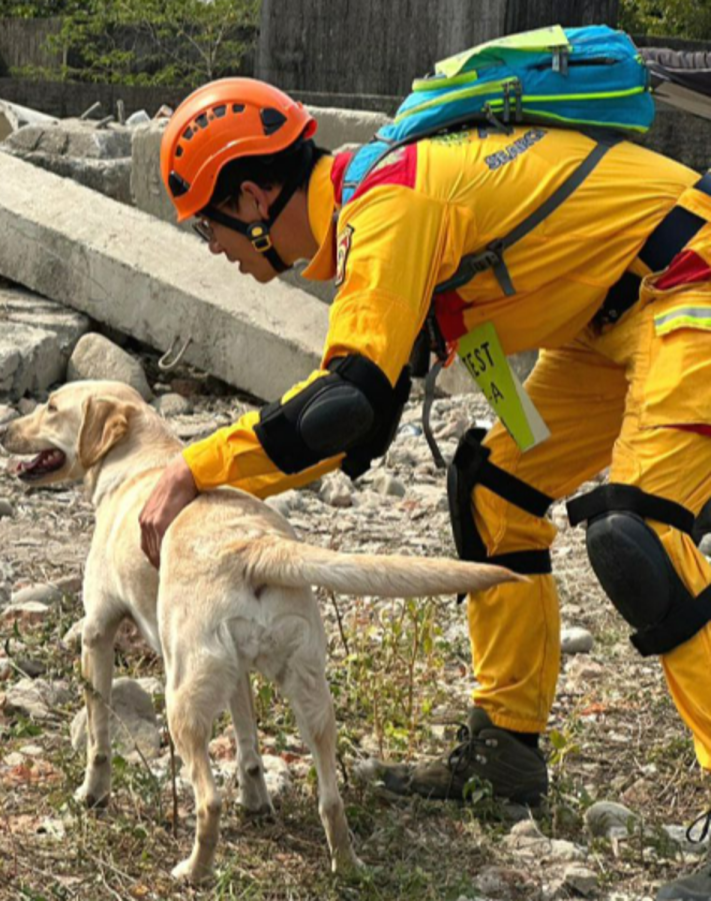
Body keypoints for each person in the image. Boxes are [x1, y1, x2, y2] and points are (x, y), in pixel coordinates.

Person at [138, 77, 711, 899]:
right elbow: (369, 410)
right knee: (494, 485)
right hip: (602, 321)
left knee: (639, 536)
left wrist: (190, 468)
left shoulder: (388, 206)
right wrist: (525, 448)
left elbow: (339, 405)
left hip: (691, 281)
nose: (214, 247)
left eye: (210, 226)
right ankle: (507, 753)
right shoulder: (384, 203)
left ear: (255, 197)